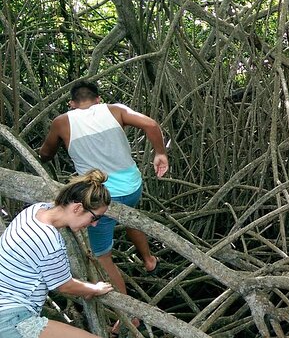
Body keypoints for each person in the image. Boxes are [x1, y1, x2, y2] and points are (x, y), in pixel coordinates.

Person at [39, 81, 168, 309]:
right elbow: (150, 124)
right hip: (132, 188)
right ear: (98, 99)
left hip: (99, 199)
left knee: (101, 255)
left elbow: (46, 152)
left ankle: (130, 314)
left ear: (71, 104)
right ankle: (149, 261)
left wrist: (48, 154)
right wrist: (160, 154)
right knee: (130, 216)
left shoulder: (62, 122)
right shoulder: (115, 109)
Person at [0, 170, 115, 338]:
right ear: (77, 208)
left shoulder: (35, 210)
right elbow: (64, 285)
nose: (95, 224)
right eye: (94, 218)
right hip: (11, 317)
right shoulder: (49, 241)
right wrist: (95, 288)